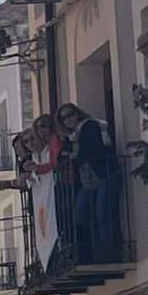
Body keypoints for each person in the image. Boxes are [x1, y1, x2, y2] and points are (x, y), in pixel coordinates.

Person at [57, 103, 120, 263]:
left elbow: (92, 150)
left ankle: (108, 253)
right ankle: (96, 247)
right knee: (80, 214)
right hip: (89, 181)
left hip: (104, 175)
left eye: (70, 114)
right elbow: (63, 158)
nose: (68, 119)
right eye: (63, 118)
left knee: (102, 214)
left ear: (77, 113)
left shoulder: (89, 126)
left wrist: (74, 157)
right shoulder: (73, 137)